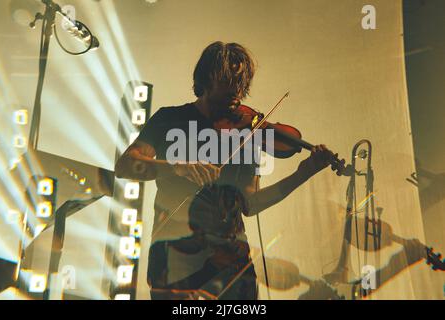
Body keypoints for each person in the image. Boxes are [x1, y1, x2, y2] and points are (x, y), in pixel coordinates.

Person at [115, 41, 340, 300]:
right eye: (228, 80)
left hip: (230, 257)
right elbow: (125, 165)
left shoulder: (246, 133)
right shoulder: (169, 119)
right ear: (206, 78)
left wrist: (303, 174)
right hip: (174, 251)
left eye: (241, 82)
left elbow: (250, 203)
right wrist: (177, 168)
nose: (237, 90)